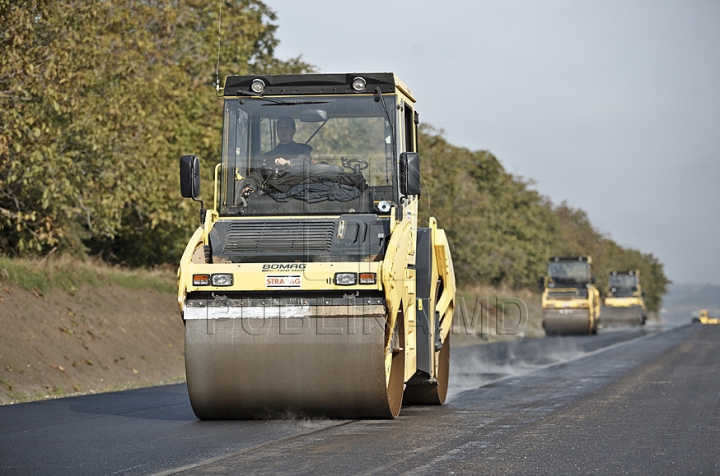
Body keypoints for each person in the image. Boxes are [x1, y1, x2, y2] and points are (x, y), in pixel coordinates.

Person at [242, 116, 312, 195]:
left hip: (297, 195)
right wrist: (250, 186)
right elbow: (257, 174)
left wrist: (289, 163)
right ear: (277, 130)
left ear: (294, 131)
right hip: (273, 197)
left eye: (287, 128)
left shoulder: (303, 152)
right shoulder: (269, 156)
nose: (283, 131)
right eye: (280, 128)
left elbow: (306, 163)